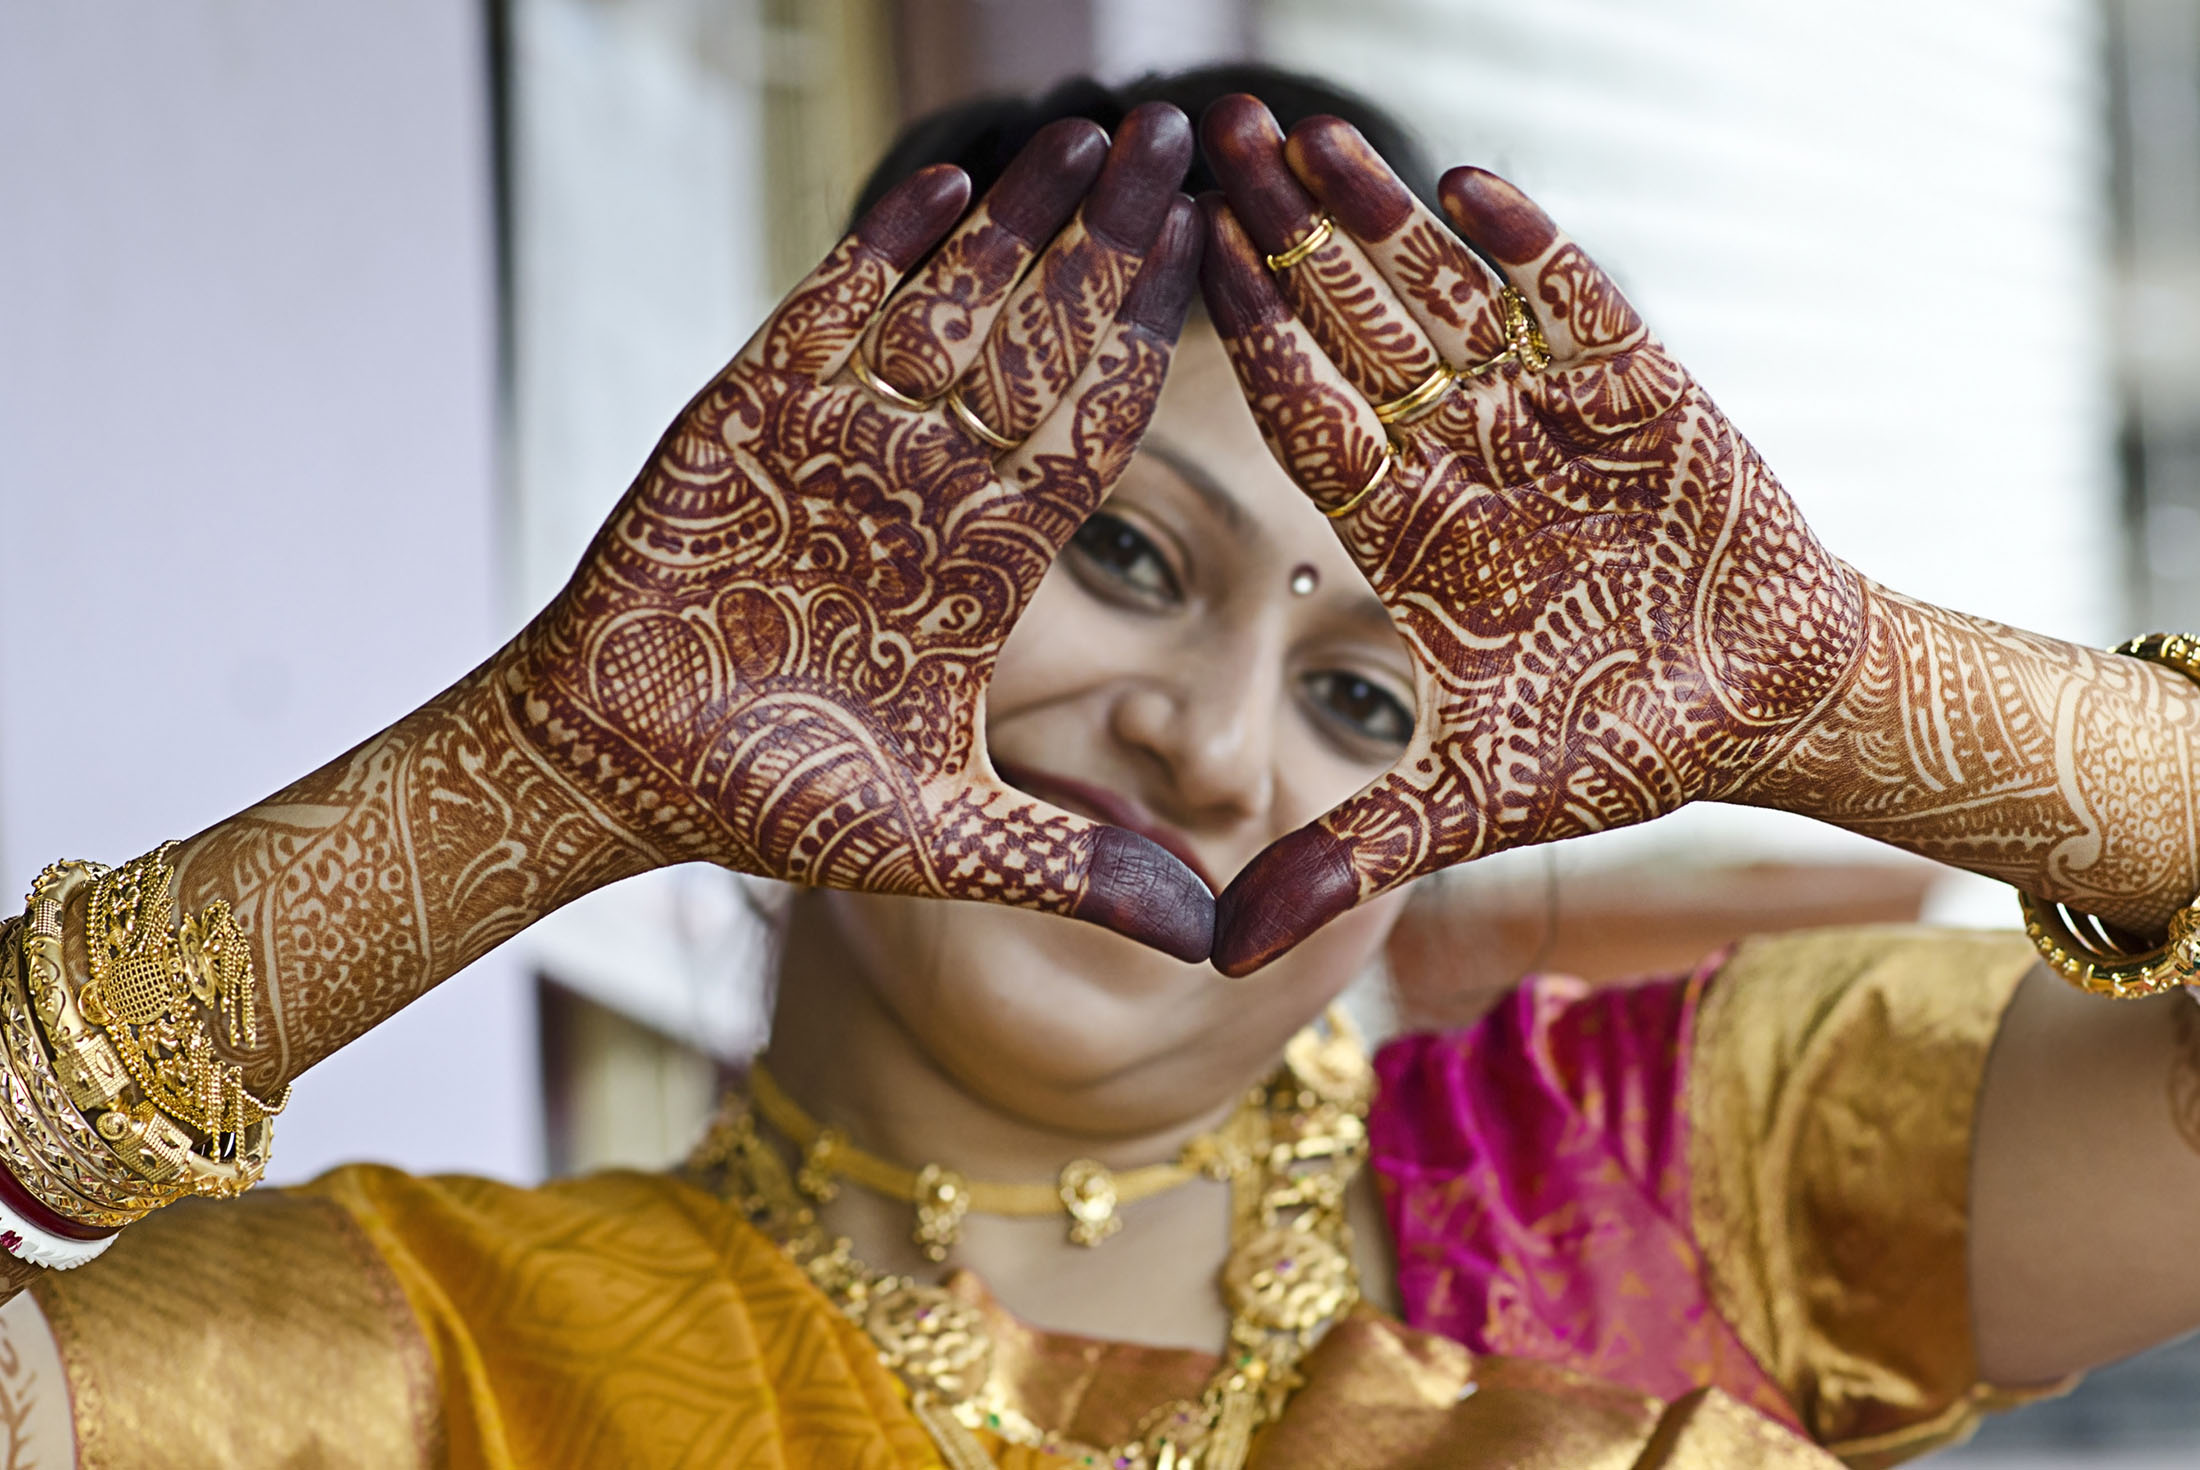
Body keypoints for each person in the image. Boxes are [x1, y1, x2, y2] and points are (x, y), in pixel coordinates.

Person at [0, 63, 2196, 1469]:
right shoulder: (436, 1361)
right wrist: (514, 786)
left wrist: (1854, 702)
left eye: (1363, 698)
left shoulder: (1657, 1162)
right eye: (1126, 552)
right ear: (777, 550)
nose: (1206, 732)